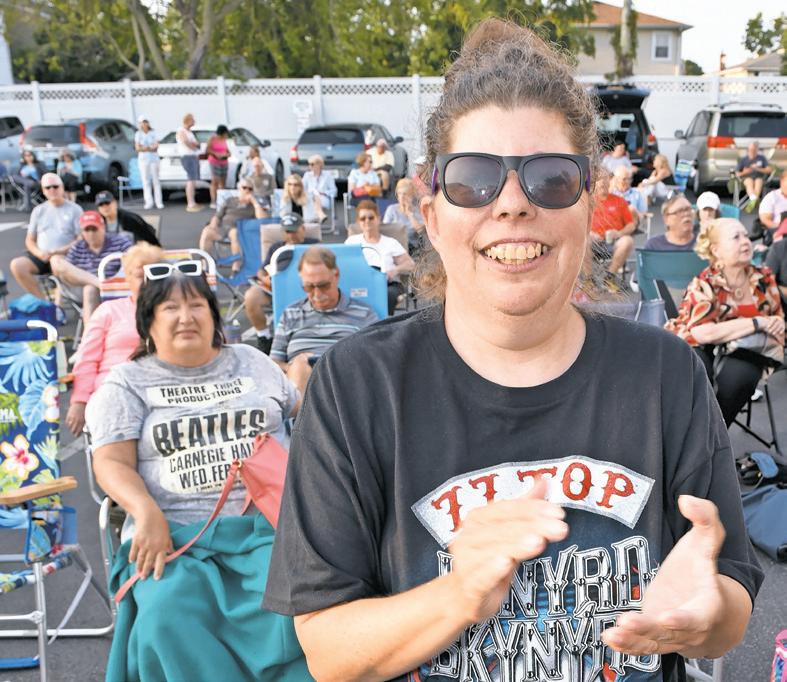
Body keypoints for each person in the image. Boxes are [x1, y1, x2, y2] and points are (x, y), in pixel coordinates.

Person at [264, 19, 762, 682]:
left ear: (589, 208)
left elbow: (728, 602)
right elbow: (328, 652)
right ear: (431, 216)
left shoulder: (665, 373)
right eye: (472, 179)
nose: (510, 205)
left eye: (550, 179)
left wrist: (706, 615)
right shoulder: (357, 385)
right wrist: (458, 594)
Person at [85, 262, 308, 682]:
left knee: (301, 598)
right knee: (165, 615)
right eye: (170, 308)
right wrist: (144, 510)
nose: (186, 317)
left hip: (269, 527)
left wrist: (306, 379)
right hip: (174, 535)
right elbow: (111, 462)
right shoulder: (127, 383)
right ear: (148, 323)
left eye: (196, 305)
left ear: (213, 315)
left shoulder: (251, 362)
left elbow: (309, 415)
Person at [666, 218, 783, 426]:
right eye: (736, 237)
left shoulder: (763, 278)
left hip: (746, 348)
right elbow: (703, 332)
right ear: (716, 250)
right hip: (698, 344)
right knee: (695, 373)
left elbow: (776, 318)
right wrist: (756, 322)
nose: (745, 241)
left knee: (739, 378)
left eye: (746, 235)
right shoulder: (705, 282)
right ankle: (695, 436)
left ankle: (713, 437)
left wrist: (777, 322)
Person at [65, 242, 164, 436]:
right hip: (112, 393)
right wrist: (79, 401)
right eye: (140, 276)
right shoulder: (109, 311)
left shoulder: (173, 312)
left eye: (152, 275)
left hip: (158, 392)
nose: (146, 282)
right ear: (128, 278)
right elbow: (86, 359)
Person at [270, 246, 379, 395]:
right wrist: (293, 367)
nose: (317, 294)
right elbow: (273, 363)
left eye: (324, 285)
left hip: (344, 381)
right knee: (299, 368)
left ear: (336, 275)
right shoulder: (290, 314)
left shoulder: (364, 314)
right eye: (309, 287)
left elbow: (376, 360)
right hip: (301, 384)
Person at [243, 213, 319, 353]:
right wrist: (265, 278)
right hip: (277, 287)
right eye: (287, 231)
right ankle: (264, 337)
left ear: (302, 229)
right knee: (251, 297)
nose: (291, 235)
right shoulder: (276, 247)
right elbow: (261, 270)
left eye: (294, 231)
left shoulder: (314, 245)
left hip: (308, 288)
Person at [50, 210, 132, 327]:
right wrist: (58, 304)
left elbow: (136, 259)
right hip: (80, 288)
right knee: (56, 260)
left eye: (94, 229)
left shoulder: (119, 241)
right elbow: (67, 273)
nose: (91, 233)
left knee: (90, 289)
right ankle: (99, 283)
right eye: (87, 230)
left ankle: (89, 334)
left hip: (115, 288)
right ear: (82, 232)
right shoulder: (77, 247)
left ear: (103, 227)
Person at [10, 173, 82, 297]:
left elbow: (81, 238)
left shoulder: (75, 209)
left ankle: (60, 299)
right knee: (17, 265)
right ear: (43, 191)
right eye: (48, 187)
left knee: (56, 261)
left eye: (55, 186)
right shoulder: (38, 211)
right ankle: (42, 301)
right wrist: (39, 253)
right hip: (42, 255)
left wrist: (60, 250)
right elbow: (30, 240)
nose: (52, 190)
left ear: (62, 187)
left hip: (66, 255)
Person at [345, 199, 414, 314]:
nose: (367, 221)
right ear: (358, 222)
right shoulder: (352, 242)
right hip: (360, 283)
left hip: (387, 284)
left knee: (386, 295)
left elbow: (410, 265)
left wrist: (394, 270)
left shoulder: (390, 242)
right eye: (363, 218)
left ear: (378, 219)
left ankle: (380, 323)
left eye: (371, 217)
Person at [198, 178, 268, 261]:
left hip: (240, 230)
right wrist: (213, 224)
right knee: (207, 231)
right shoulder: (230, 200)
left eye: (250, 189)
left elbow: (263, 219)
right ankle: (204, 263)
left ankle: (236, 265)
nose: (247, 190)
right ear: (239, 189)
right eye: (244, 188)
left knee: (234, 233)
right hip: (223, 228)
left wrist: (254, 202)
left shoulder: (254, 205)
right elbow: (217, 216)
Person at [590, 170, 635, 275]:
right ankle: (588, 279)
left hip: (614, 241)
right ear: (594, 183)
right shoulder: (588, 202)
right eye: (600, 179)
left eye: (606, 179)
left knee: (627, 241)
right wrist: (589, 233)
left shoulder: (619, 201)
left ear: (610, 182)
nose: (603, 182)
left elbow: (631, 225)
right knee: (583, 241)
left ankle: (610, 276)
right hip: (593, 241)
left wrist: (618, 233)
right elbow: (578, 226)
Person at [94, 190, 161, 246]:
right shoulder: (95, 223)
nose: (105, 207)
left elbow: (149, 240)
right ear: (98, 208)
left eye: (107, 203)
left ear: (115, 203)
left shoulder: (131, 219)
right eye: (101, 205)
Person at [383, 178, 425, 253]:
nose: (402, 197)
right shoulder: (392, 209)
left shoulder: (417, 211)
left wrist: (410, 214)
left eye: (405, 194)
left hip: (414, 250)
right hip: (395, 248)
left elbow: (421, 231)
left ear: (411, 195)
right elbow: (384, 230)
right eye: (399, 193)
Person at [134, 116, 163, 211]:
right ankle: (149, 202)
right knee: (146, 181)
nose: (144, 124)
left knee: (156, 181)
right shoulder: (138, 134)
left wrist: (145, 148)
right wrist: (148, 148)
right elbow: (138, 148)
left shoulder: (153, 132)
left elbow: (156, 146)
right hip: (143, 160)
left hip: (154, 159)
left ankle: (159, 202)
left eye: (145, 122)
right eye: (142, 122)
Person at [176, 113, 202, 212]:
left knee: (193, 180)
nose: (194, 121)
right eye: (192, 120)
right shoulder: (181, 130)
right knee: (191, 179)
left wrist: (195, 145)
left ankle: (193, 202)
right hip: (188, 157)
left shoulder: (189, 131)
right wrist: (194, 147)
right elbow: (186, 142)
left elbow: (196, 143)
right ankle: (190, 203)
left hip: (193, 156)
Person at [736, 141, 773, 213]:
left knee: (758, 181)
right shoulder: (743, 159)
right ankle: (754, 198)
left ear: (756, 150)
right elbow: (737, 173)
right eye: (750, 149)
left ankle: (753, 200)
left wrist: (757, 168)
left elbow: (769, 170)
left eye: (754, 150)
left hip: (759, 177)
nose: (752, 151)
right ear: (748, 150)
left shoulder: (761, 158)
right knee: (749, 181)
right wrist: (745, 172)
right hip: (747, 177)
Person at [302, 155, 337, 224]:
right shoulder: (307, 175)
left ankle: (312, 223)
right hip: (310, 198)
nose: (310, 166)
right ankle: (320, 215)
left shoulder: (327, 175)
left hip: (323, 198)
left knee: (315, 197)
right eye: (309, 164)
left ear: (319, 164)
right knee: (311, 198)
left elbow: (334, 190)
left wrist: (323, 192)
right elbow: (302, 188)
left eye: (312, 164)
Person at [206, 124, 231, 209]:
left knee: (223, 182)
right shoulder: (212, 139)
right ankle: (213, 201)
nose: (226, 135)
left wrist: (227, 154)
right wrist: (216, 154)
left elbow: (227, 150)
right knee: (215, 181)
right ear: (222, 133)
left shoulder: (224, 140)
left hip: (224, 162)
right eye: (225, 133)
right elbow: (207, 150)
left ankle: (222, 200)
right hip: (214, 162)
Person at [758, 168, 787, 239]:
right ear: (782, 181)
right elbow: (765, 219)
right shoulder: (772, 197)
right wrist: (780, 228)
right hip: (780, 233)